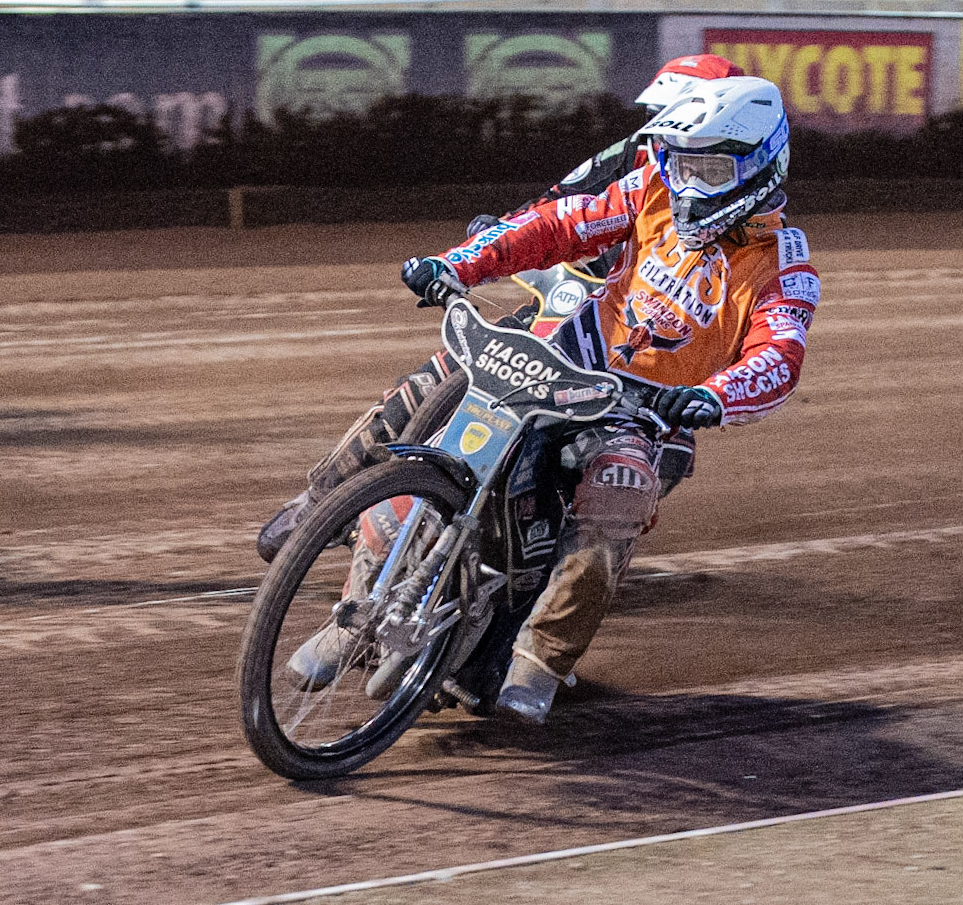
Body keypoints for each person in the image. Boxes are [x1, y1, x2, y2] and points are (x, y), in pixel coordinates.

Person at [293, 77, 818, 725]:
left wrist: (706, 397)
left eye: (704, 167)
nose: (685, 182)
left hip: (641, 412)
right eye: (681, 162)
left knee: (619, 493)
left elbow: (777, 359)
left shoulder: (785, 267)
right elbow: (557, 225)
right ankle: (354, 616)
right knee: (437, 445)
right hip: (561, 360)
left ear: (758, 166)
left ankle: (539, 661)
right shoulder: (649, 188)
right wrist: (459, 264)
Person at [257, 53, 746, 565]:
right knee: (429, 380)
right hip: (568, 319)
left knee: (649, 459)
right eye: (660, 117)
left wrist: (705, 391)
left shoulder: (745, 215)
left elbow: (748, 325)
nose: (662, 133)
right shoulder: (632, 158)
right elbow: (551, 210)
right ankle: (319, 503)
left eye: (678, 117)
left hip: (646, 370)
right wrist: (492, 240)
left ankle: (567, 563)